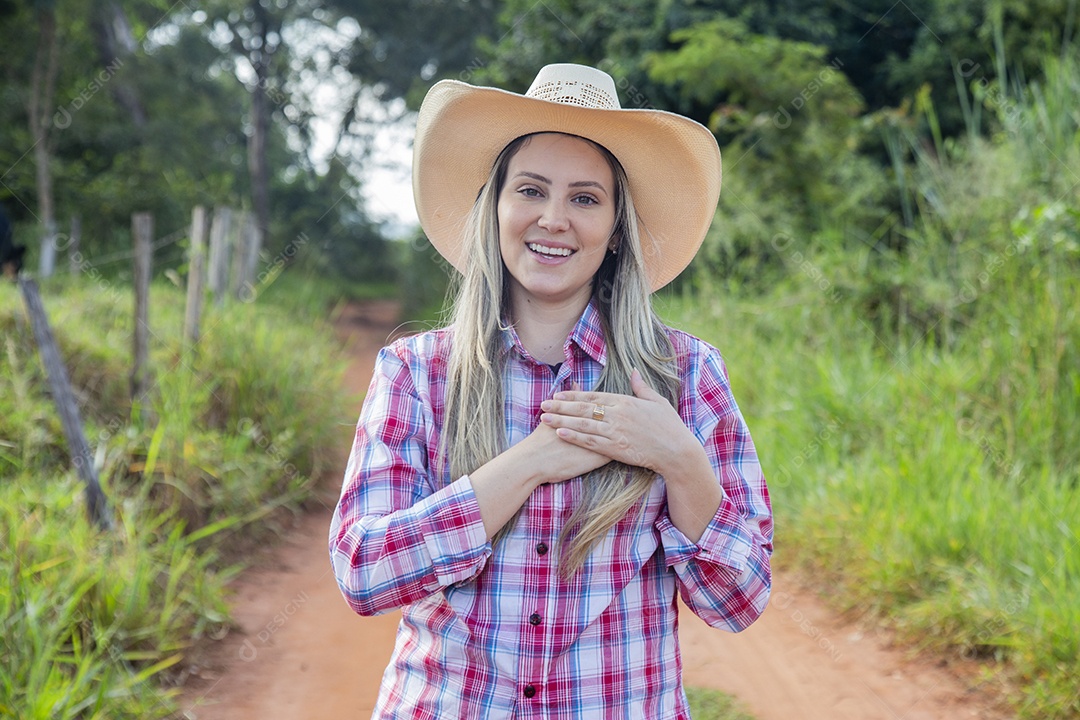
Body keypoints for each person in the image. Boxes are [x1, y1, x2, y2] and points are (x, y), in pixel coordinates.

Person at [330, 63, 773, 719]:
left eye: (586, 199)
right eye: (531, 190)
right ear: (497, 205)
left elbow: (738, 600)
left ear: (617, 227)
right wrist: (530, 461)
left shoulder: (685, 374)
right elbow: (364, 573)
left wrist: (679, 458)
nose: (554, 219)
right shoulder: (417, 373)